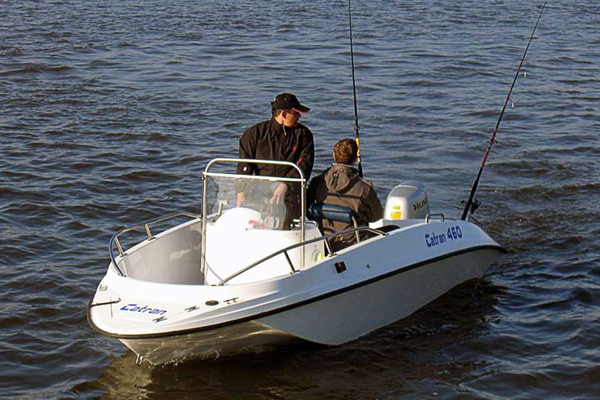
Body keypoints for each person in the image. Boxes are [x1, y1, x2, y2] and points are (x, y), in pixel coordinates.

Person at [236, 93, 315, 228]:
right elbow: (244, 165)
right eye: (296, 113)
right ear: (283, 114)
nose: (299, 116)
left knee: (286, 226)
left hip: (290, 194)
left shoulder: (303, 135)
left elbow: (305, 164)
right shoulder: (253, 134)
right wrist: (241, 193)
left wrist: (286, 184)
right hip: (260, 193)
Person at [307, 138, 383, 251]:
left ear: (334, 155)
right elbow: (377, 216)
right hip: (354, 243)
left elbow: (307, 210)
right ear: (355, 159)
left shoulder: (317, 182)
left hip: (324, 243)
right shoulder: (364, 188)